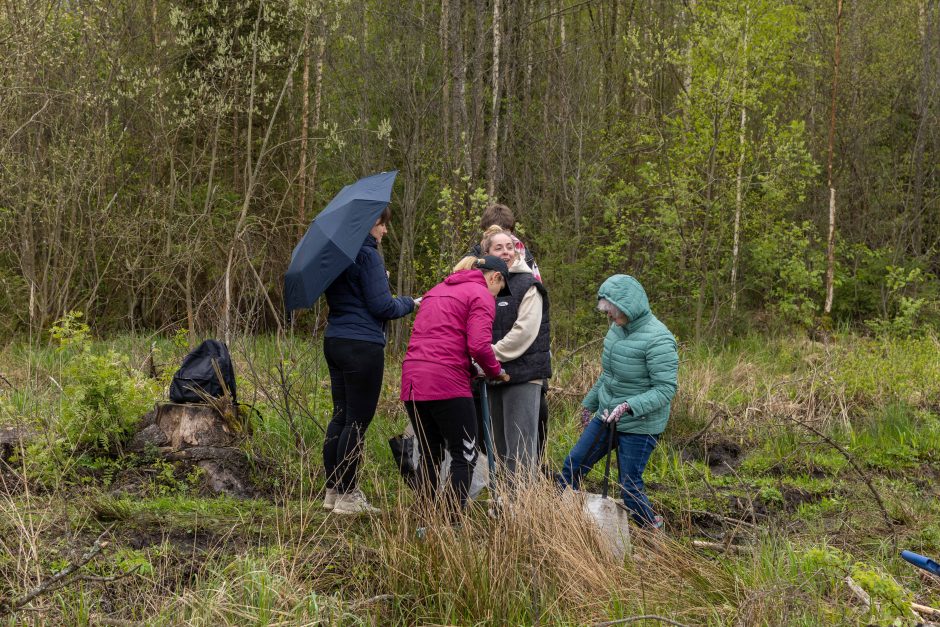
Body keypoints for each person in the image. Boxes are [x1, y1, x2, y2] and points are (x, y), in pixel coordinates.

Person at [557, 275, 678, 529]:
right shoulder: (616, 330)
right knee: (573, 465)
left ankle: (653, 530)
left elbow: (665, 389)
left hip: (640, 424)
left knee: (629, 486)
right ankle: (559, 524)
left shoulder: (659, 338)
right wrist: (588, 405)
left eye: (614, 312)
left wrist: (629, 406)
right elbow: (609, 375)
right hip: (607, 414)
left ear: (630, 306)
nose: (610, 318)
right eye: (607, 313)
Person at [321, 206, 417, 515]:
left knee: (340, 416)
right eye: (381, 224)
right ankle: (349, 496)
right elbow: (382, 307)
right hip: (362, 345)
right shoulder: (367, 254)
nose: (385, 231)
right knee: (357, 421)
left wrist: (378, 280)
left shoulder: (337, 254)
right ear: (368, 223)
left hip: (335, 339)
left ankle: (333, 491)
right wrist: (411, 303)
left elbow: (353, 294)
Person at [400, 256, 511, 517]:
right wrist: (494, 371)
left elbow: (440, 339)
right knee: (465, 454)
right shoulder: (480, 295)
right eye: (500, 289)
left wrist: (471, 368)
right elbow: (479, 346)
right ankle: (451, 521)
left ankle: (424, 519)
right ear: (494, 277)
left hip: (413, 380)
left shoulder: (436, 291)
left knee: (430, 454)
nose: (497, 296)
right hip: (446, 383)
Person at [469, 203, 551, 463]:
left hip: (523, 372)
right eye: (498, 245)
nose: (505, 250)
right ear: (486, 248)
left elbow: (525, 331)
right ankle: (503, 501)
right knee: (498, 448)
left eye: (509, 244)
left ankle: (526, 502)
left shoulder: (529, 281)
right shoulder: (479, 279)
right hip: (492, 374)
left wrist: (487, 354)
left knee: (523, 448)